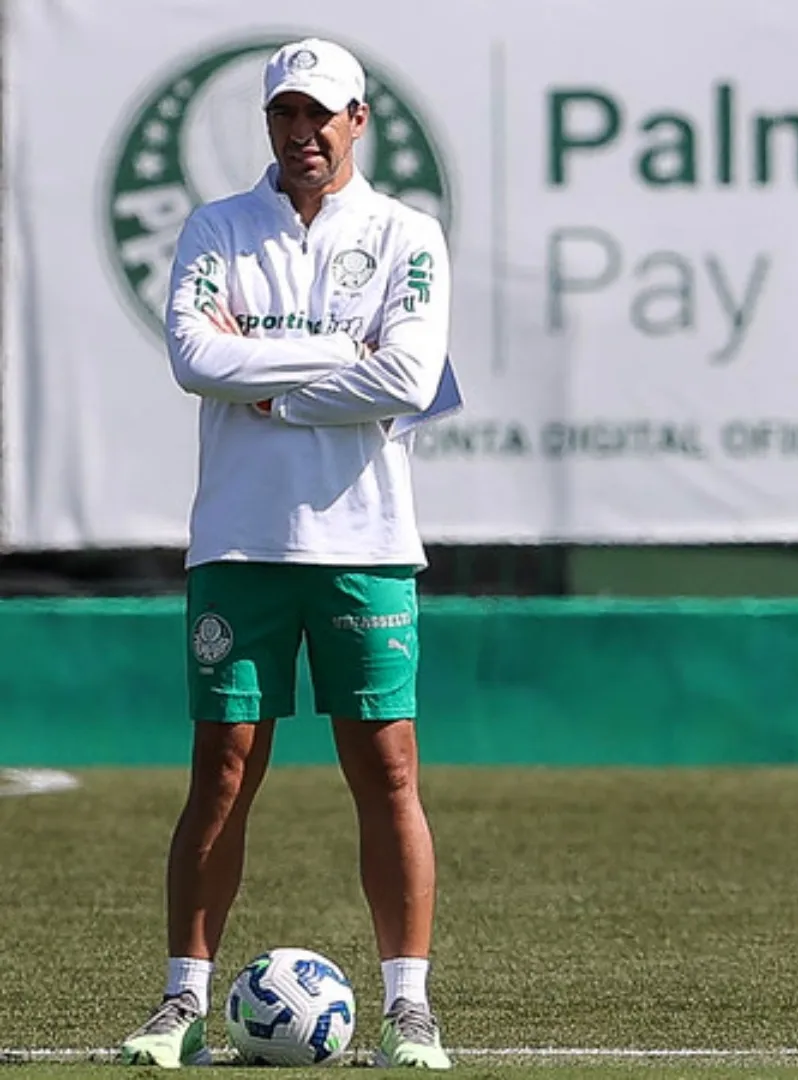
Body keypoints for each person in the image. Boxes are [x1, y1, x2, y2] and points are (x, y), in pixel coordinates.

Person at [117, 37, 453, 1070]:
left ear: (359, 121)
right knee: (221, 770)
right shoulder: (218, 227)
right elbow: (191, 357)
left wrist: (269, 385)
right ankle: (180, 1006)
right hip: (240, 539)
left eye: (322, 115)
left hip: (365, 542)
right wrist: (338, 359)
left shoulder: (407, 232)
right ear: (268, 124)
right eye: (284, 116)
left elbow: (410, 375)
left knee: (385, 768)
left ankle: (409, 1009)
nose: (302, 135)